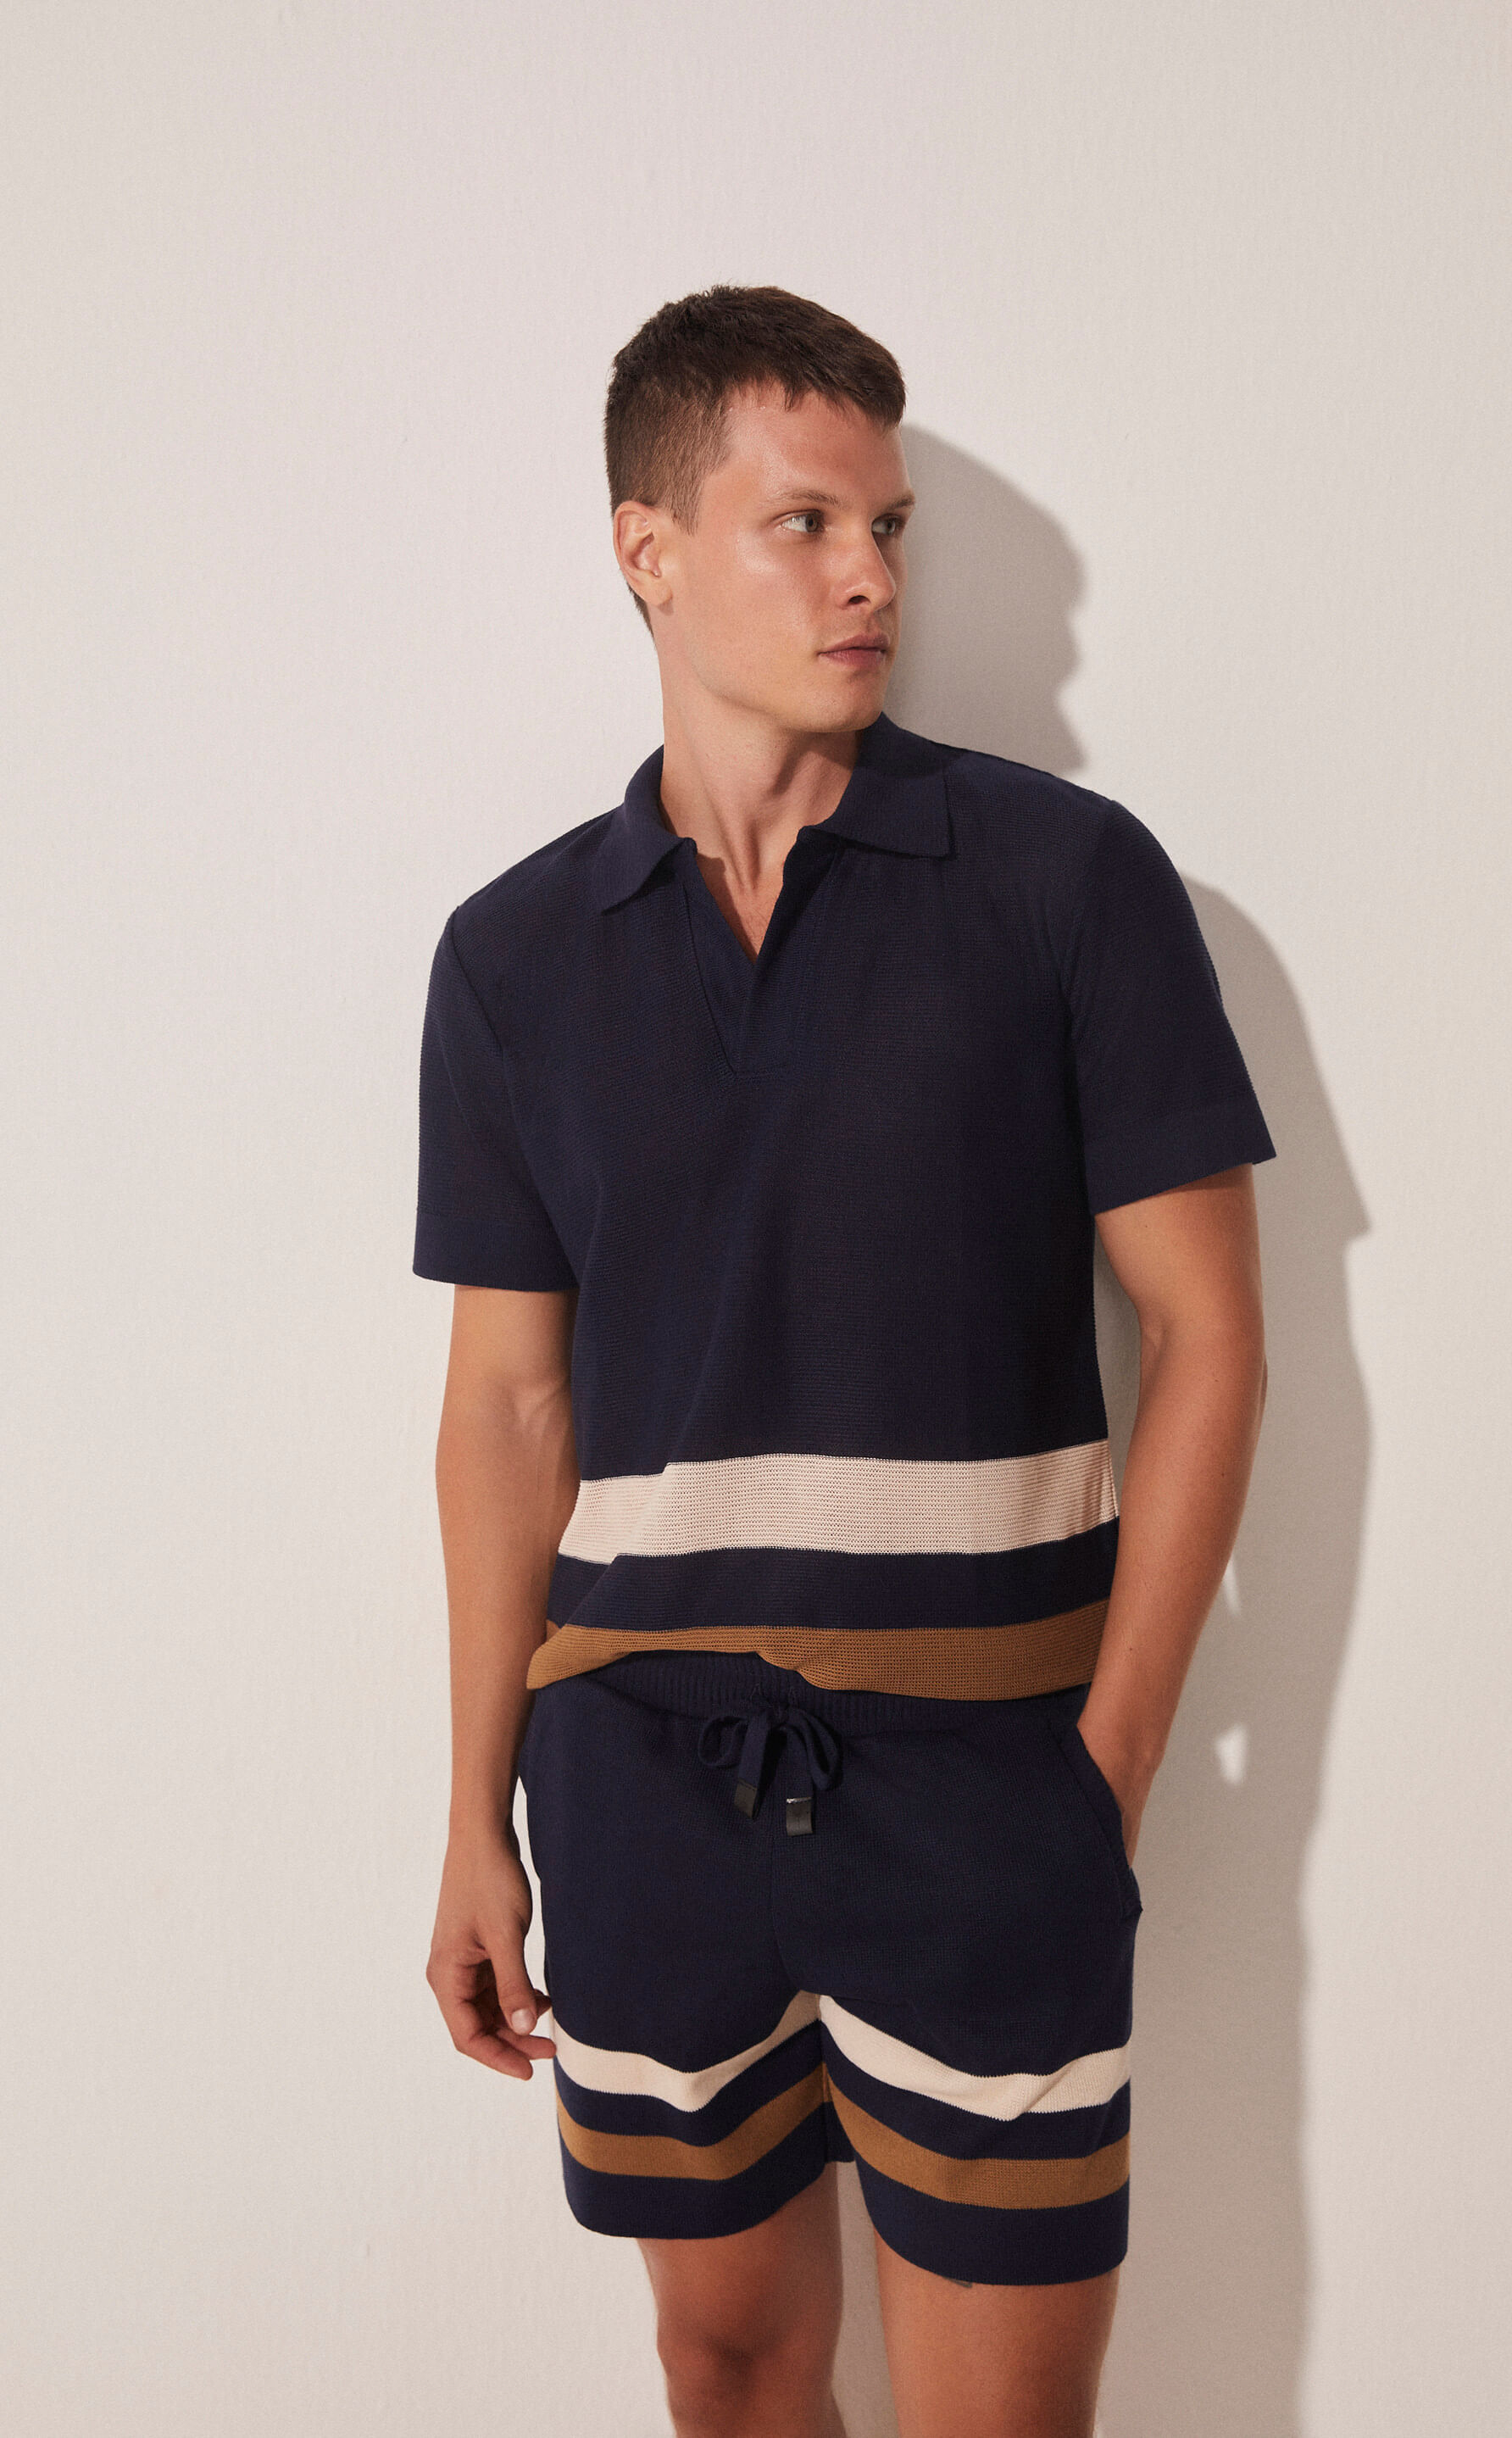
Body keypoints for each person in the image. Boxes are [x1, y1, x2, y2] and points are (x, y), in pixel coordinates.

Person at [417, 284, 1273, 2438]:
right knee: (726, 2368)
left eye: (887, 526)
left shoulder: (1068, 881)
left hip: (988, 1792)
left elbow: (1210, 1335)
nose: (871, 574)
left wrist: (1102, 1773)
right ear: (650, 550)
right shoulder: (515, 958)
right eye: (803, 522)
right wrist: (474, 1816)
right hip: (636, 1785)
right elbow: (506, 1408)